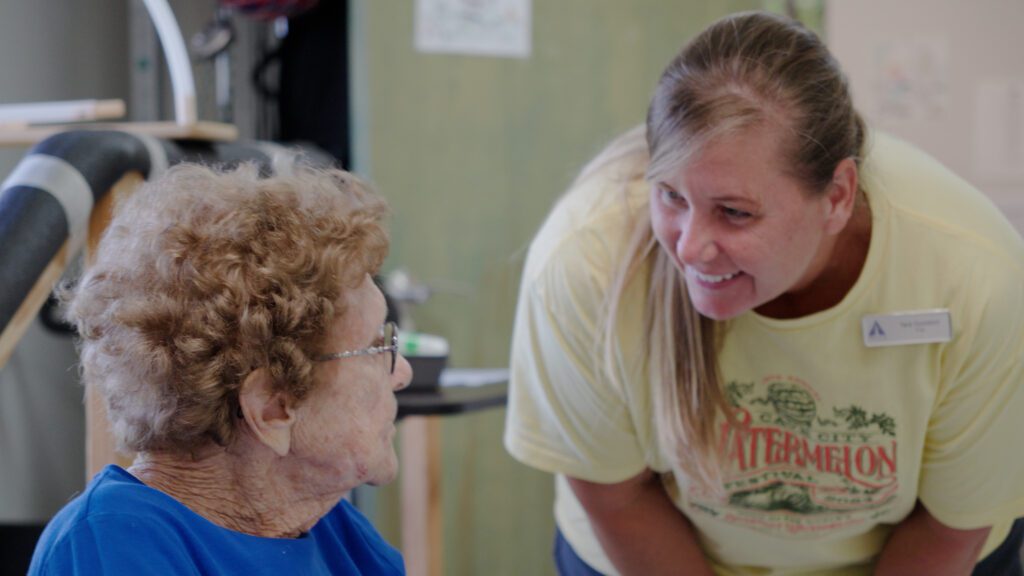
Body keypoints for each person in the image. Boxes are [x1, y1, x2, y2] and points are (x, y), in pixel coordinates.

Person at [504, 11, 1024, 576]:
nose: (690, 248)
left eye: (734, 212)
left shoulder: (974, 279)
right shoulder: (583, 263)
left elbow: (952, 525)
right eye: (671, 197)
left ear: (838, 196)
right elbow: (618, 497)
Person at [29, 162, 412, 574]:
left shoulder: (333, 528)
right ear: (272, 407)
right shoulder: (112, 546)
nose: (402, 372)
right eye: (376, 346)